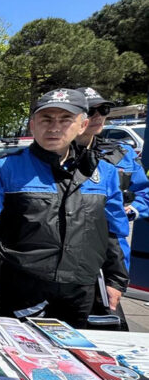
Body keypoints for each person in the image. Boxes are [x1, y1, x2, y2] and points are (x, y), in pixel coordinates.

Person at [0, 88, 130, 328]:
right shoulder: (6, 169)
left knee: (77, 359)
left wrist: (116, 280)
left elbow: (115, 232)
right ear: (33, 125)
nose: (54, 128)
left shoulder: (104, 173)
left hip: (81, 290)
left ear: (82, 125)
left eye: (65, 120)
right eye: (46, 119)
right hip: (24, 287)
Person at [74, 86, 149, 331]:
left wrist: (130, 211)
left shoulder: (121, 154)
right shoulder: (54, 153)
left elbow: (144, 193)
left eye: (103, 109)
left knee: (108, 327)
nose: (96, 116)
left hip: (107, 257)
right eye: (89, 110)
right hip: (63, 254)